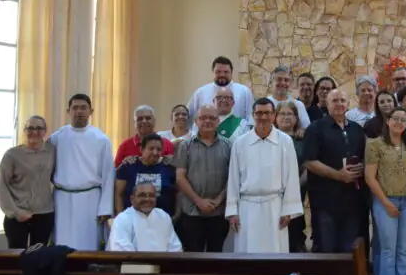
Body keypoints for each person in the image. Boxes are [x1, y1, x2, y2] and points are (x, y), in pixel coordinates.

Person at [226, 98, 303, 253]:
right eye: (259, 113)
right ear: (253, 115)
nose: (263, 117)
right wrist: (232, 211)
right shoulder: (240, 143)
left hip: (275, 207)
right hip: (247, 208)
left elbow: (292, 177)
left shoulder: (285, 141)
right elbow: (233, 178)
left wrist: (288, 210)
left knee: (275, 253)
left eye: (267, 113)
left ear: (273, 115)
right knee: (247, 252)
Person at [303, 90, 369, 252]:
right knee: (327, 248)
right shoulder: (315, 129)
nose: (339, 104)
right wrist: (339, 175)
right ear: (327, 103)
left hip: (352, 202)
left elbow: (364, 156)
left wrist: (361, 167)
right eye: (335, 100)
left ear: (348, 104)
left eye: (342, 100)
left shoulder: (356, 129)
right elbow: (309, 162)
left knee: (349, 250)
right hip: (325, 201)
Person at [365, 106, 406, 275]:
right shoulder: (375, 144)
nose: (399, 123)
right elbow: (370, 177)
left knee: (404, 251)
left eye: (403, 120)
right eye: (395, 118)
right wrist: (386, 203)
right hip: (385, 201)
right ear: (387, 121)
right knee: (388, 251)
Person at [49, 94, 114, 250]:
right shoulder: (57, 138)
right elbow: (46, 168)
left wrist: (105, 208)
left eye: (83, 108)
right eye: (75, 108)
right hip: (62, 199)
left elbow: (108, 175)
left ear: (91, 111)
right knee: (61, 242)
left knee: (88, 243)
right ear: (68, 111)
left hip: (90, 200)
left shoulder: (101, 139)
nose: (79, 111)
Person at [174, 104, 231, 252]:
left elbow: (233, 178)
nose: (207, 121)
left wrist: (218, 200)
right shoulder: (185, 146)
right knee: (193, 258)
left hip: (219, 212)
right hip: (192, 211)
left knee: (216, 256)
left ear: (218, 121)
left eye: (212, 118)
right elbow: (180, 177)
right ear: (196, 121)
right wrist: (199, 201)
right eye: (203, 118)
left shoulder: (229, 146)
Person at [0, 116, 56, 249]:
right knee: (17, 258)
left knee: (39, 257)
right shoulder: (12, 155)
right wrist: (15, 212)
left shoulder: (52, 151)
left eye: (39, 128)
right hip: (18, 215)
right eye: (30, 128)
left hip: (44, 213)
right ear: (24, 130)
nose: (34, 132)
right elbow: (1, 186)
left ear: (45, 131)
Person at [107, 182, 183, 252]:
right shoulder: (122, 219)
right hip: (134, 265)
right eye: (142, 195)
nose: (147, 199)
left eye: (151, 195)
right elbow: (122, 252)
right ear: (132, 199)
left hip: (165, 264)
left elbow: (175, 247)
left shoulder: (163, 216)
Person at [115, 133, 177, 216]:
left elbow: (178, 193)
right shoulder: (127, 166)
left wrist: (177, 214)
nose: (155, 152)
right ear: (142, 149)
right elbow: (118, 194)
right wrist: (120, 216)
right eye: (151, 149)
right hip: (132, 220)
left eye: (158, 149)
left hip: (162, 221)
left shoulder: (169, 168)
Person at [275, 101, 308, 252]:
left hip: (297, 194)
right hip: (274, 195)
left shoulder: (302, 140)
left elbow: (308, 165)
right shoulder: (270, 139)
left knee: (294, 234)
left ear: (296, 118)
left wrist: (294, 186)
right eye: (282, 113)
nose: (286, 117)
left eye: (290, 114)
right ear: (275, 117)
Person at [187, 56, 253, 126]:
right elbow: (189, 117)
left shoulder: (244, 91)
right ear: (213, 72)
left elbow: (251, 118)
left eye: (226, 72)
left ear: (231, 72)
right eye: (218, 72)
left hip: (237, 134)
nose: (222, 74)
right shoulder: (200, 93)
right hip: (207, 135)